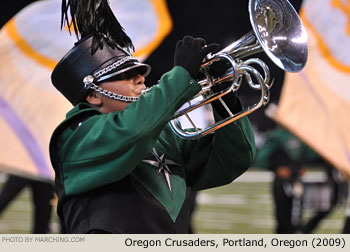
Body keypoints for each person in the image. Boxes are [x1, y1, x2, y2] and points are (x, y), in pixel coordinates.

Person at [49, 0, 256, 234]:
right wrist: (180, 77)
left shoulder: (164, 134)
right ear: (94, 95)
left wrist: (224, 97)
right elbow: (131, 131)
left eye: (139, 72)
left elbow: (234, 160)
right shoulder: (75, 135)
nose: (140, 79)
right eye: (126, 74)